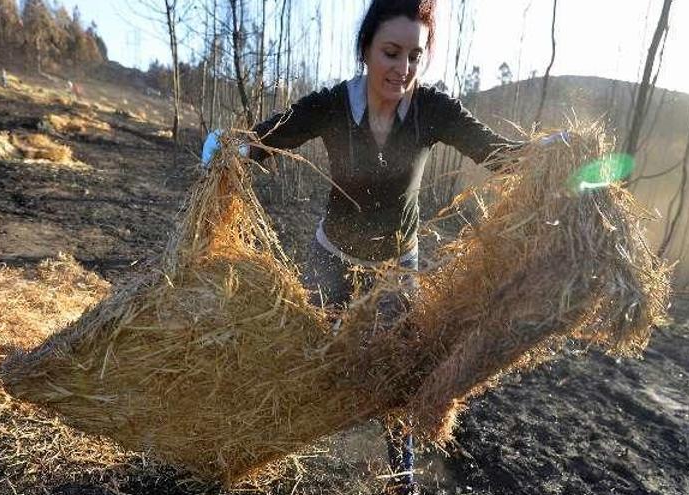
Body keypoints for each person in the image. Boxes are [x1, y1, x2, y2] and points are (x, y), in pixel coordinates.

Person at [202, 1, 564, 493]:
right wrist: (229, 148)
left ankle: (401, 480)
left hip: (397, 270)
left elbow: (494, 153)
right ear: (366, 51)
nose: (404, 69)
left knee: (400, 378)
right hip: (332, 260)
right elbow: (270, 140)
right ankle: (254, 453)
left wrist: (546, 156)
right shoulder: (331, 106)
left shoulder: (432, 110)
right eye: (392, 53)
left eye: (415, 56)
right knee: (307, 359)